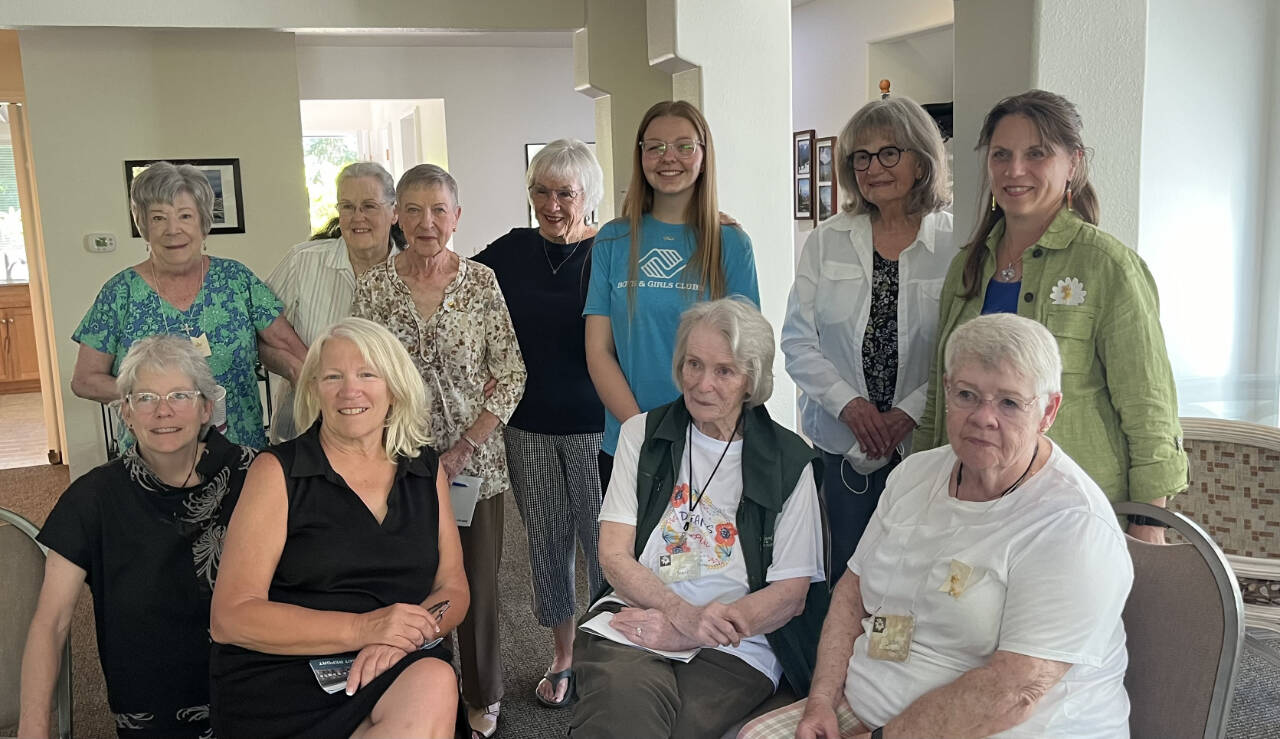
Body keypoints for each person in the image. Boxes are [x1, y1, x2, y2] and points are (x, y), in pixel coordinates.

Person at [741, 313, 1133, 739]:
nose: (984, 417)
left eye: (1009, 402)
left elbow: (1014, 691)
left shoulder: (1072, 526)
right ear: (946, 391)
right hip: (870, 709)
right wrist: (821, 701)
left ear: (1048, 411)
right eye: (967, 395)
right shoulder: (915, 474)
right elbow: (852, 591)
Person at [913, 89, 1185, 544]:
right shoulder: (968, 266)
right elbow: (938, 406)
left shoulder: (1108, 267)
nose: (1014, 170)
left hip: (1073, 518)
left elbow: (1149, 407)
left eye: (1036, 154)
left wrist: (1148, 522)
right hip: (971, 510)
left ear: (1072, 163)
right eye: (1002, 155)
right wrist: (921, 491)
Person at [570, 298, 828, 739]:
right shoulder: (642, 435)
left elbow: (790, 595)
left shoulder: (789, 462)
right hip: (639, 615)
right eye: (693, 364)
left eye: (724, 371)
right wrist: (678, 615)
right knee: (622, 704)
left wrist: (691, 633)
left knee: (676, 727)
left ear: (752, 380)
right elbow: (612, 554)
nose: (702, 384)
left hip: (735, 643)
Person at [208, 317, 469, 739]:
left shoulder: (426, 470)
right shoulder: (278, 471)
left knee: (435, 682)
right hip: (285, 671)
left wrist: (398, 639)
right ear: (313, 389)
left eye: (367, 373)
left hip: (390, 660)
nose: (351, 391)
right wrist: (364, 628)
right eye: (333, 376)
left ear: (394, 385)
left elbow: (453, 588)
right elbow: (231, 617)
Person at [353, 164, 526, 739]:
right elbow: (363, 372)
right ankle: (417, 691)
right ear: (397, 216)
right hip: (395, 465)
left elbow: (511, 373)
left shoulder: (481, 283)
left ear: (457, 217)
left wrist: (463, 447)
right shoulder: (374, 287)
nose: (427, 223)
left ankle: (481, 692)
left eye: (439, 211)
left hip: (474, 467)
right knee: (406, 581)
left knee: (472, 584)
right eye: (413, 210)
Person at [19, 335, 257, 739]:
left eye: (180, 395)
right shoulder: (94, 497)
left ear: (206, 409)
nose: (163, 411)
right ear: (126, 413)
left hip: (256, 691)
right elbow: (52, 623)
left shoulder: (256, 477)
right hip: (153, 707)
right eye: (145, 397)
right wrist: (34, 728)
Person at [781, 96, 955, 584]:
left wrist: (908, 413)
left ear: (921, 160)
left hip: (924, 444)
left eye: (889, 153)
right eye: (861, 157)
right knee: (844, 577)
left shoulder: (954, 243)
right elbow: (797, 340)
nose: (873, 168)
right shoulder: (827, 240)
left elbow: (960, 348)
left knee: (917, 577)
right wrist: (851, 407)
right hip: (841, 440)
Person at [471, 139, 605, 709]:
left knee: (607, 544)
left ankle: (613, 653)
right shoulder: (509, 250)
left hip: (600, 427)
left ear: (588, 195)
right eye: (541, 192)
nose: (552, 205)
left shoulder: (613, 249)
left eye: (565, 193)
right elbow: (457, 286)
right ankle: (564, 654)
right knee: (548, 547)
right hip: (526, 428)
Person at [585, 100, 760, 492]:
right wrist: (641, 432)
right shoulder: (613, 240)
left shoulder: (729, 243)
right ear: (641, 154)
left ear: (703, 154)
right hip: (629, 441)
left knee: (705, 555)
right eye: (656, 146)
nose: (669, 158)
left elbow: (745, 356)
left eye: (684, 146)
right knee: (624, 554)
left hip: (708, 440)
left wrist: (698, 428)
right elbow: (598, 351)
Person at [71, 161, 308, 450]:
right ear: (143, 225)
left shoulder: (237, 279)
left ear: (203, 223)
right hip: (153, 452)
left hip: (239, 449)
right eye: (158, 218)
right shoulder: (119, 293)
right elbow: (84, 380)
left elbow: (288, 345)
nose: (173, 229)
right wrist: (148, 396)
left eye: (185, 216)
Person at [265, 162, 406, 442]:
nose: (357, 217)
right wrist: (297, 370)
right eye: (347, 207)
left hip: (392, 429)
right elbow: (259, 332)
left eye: (369, 206)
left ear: (394, 212)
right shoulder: (302, 262)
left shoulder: (414, 271)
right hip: (309, 423)